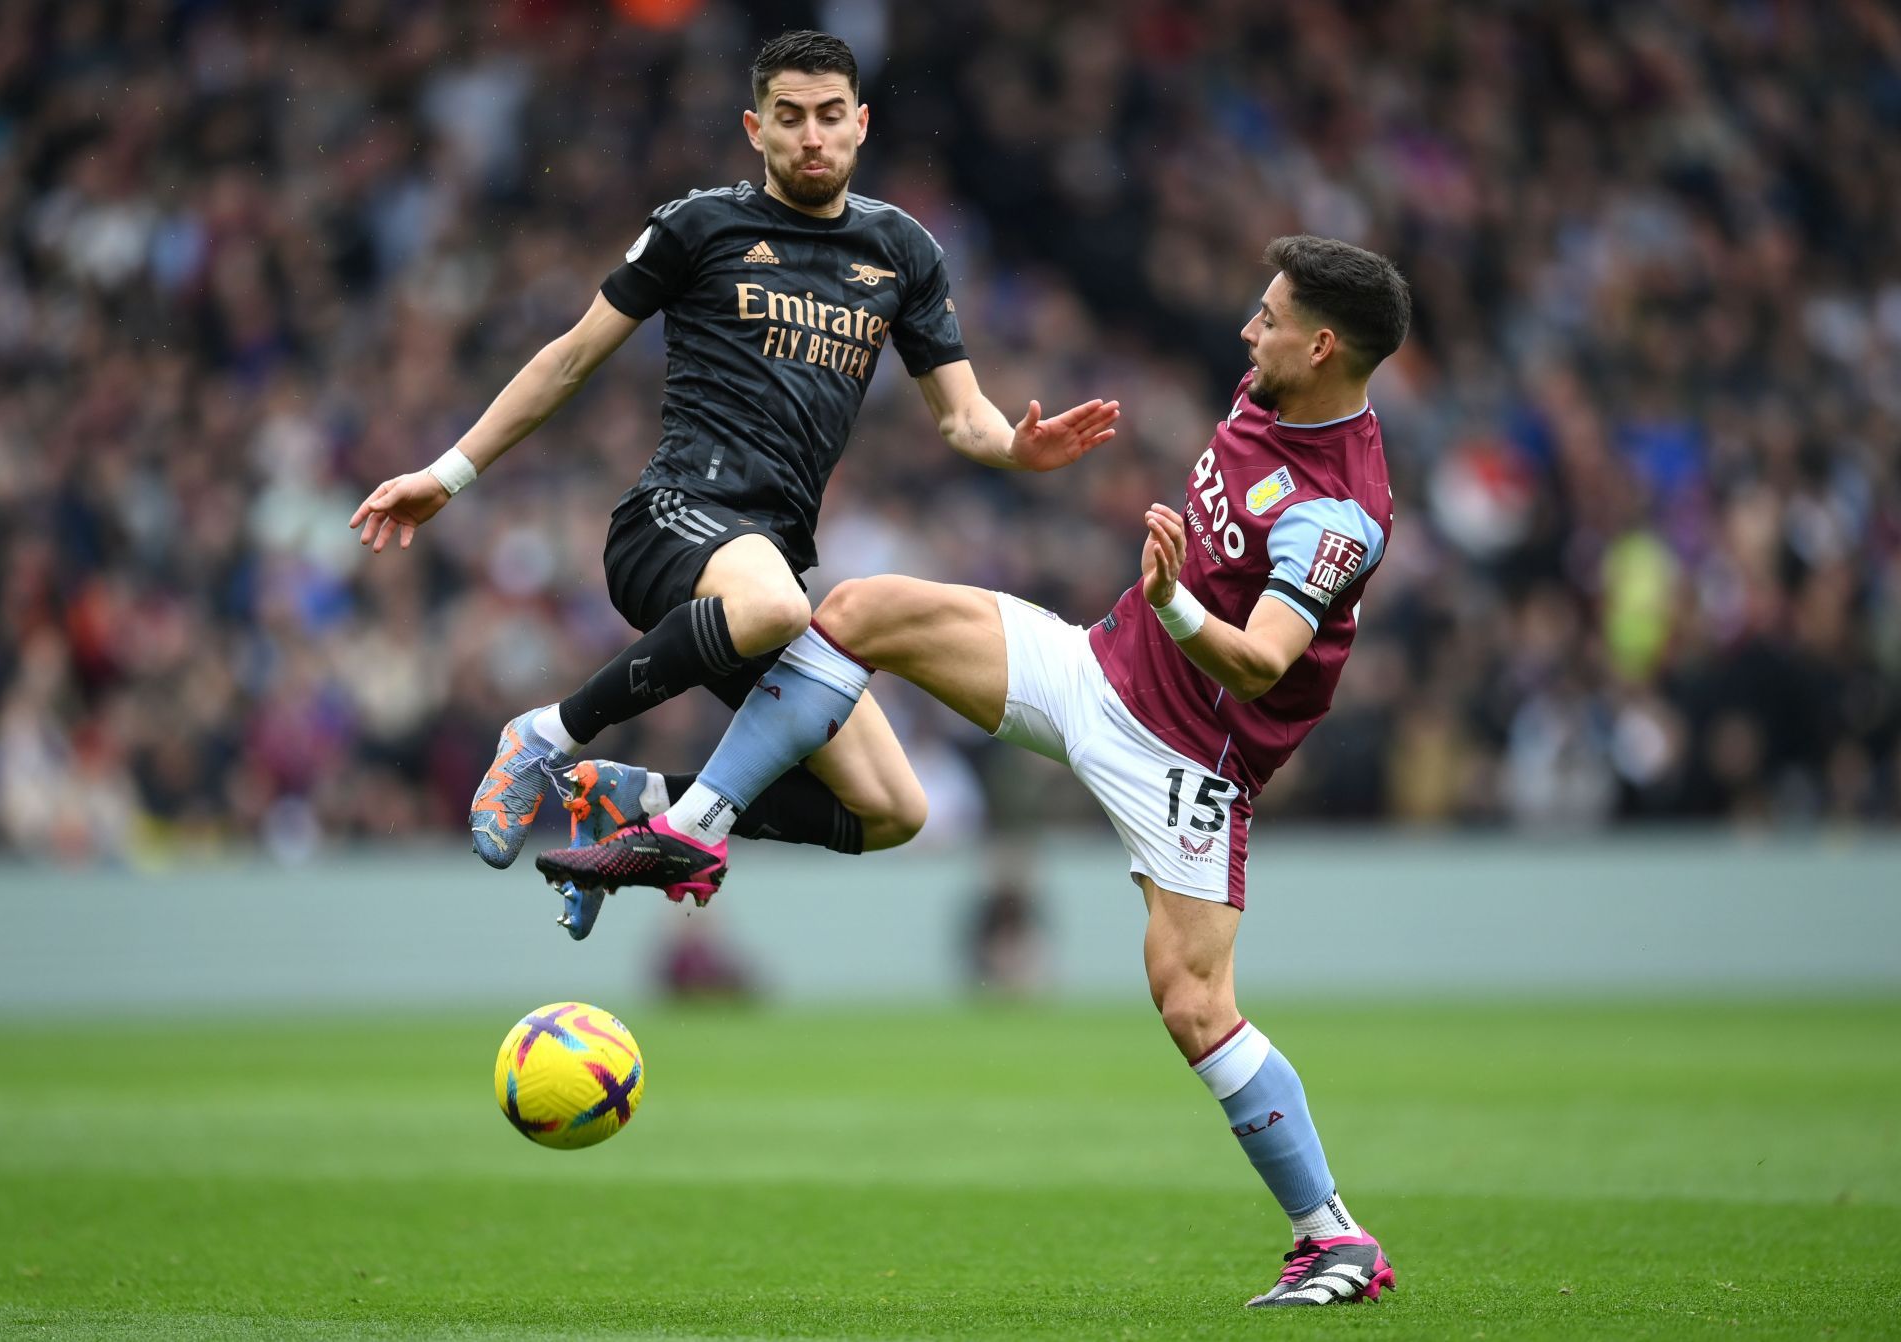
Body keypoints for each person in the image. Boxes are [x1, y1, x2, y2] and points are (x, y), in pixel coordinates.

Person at [536, 235, 1411, 1309]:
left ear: (1323, 347)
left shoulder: (1340, 510)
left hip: (1189, 759)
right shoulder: (1270, 390)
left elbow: (1266, 658)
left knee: (1193, 1005)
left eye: (1269, 317)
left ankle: (1334, 1240)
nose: (1248, 329)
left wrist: (1179, 601)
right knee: (855, 612)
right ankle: (697, 823)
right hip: (1098, 666)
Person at [346, 30, 1118, 923]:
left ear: (862, 124)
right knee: (784, 608)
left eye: (831, 116)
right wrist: (448, 474)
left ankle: (632, 799)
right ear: (756, 128)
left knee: (893, 810)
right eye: (789, 118)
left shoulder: (901, 250)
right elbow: (568, 360)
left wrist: (1018, 449)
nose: (812, 136)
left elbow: (963, 415)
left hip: (763, 564)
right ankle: (543, 737)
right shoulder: (700, 225)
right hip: (673, 520)